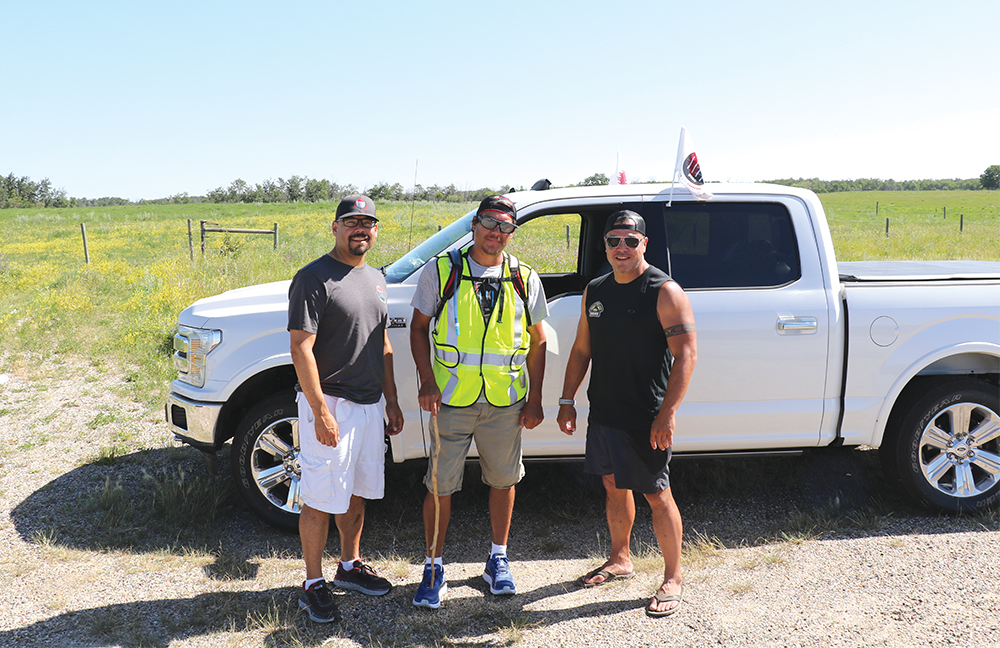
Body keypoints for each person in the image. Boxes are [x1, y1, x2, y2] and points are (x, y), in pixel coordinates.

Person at [409, 195, 548, 609]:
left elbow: (540, 341)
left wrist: (536, 398)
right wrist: (427, 382)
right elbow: (418, 329)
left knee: (504, 481)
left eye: (505, 227)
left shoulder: (524, 276)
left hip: (505, 402)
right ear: (474, 224)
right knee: (440, 485)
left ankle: (498, 559)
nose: (496, 233)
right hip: (450, 400)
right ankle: (433, 565)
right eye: (489, 222)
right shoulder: (443, 270)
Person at [556, 210, 697, 618]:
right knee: (614, 486)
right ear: (605, 246)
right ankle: (621, 559)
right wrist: (567, 400)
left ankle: (673, 577)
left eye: (630, 241)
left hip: (645, 415)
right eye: (614, 241)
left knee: (656, 492)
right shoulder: (596, 289)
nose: (621, 248)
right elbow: (582, 349)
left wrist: (667, 413)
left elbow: (686, 354)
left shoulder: (663, 290)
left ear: (644, 245)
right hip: (605, 411)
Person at [287, 194, 404, 624]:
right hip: (332, 403)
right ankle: (312, 583)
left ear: (376, 230)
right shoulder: (314, 278)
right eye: (351, 221)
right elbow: (301, 346)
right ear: (334, 227)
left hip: (370, 405)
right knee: (319, 497)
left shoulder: (376, 278)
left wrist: (391, 400)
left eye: (368, 222)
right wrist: (319, 410)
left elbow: (383, 344)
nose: (360, 228)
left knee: (357, 490)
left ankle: (349, 567)